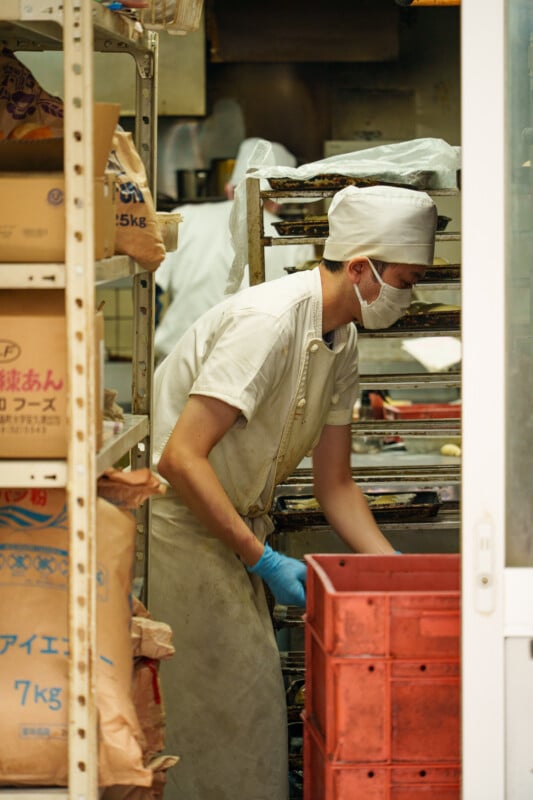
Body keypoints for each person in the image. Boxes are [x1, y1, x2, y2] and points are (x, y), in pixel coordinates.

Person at [148, 184, 437, 800]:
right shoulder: (269, 322)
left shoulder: (343, 339)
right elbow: (180, 457)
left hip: (233, 530)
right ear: (360, 267)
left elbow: (336, 485)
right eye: (405, 280)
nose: (408, 297)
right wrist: (262, 558)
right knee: (211, 723)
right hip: (177, 536)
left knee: (244, 720)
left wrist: (398, 578)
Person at [154, 137, 316, 362]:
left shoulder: (185, 217)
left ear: (229, 189)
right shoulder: (293, 240)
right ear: (278, 199)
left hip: (179, 356)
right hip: (252, 364)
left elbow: (154, 290)